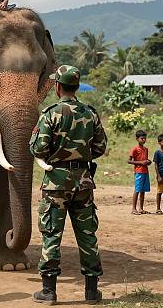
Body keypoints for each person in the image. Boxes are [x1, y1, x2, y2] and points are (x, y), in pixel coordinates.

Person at [30, 65, 107, 304]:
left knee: (52, 234)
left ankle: (49, 291)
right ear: (76, 86)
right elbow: (100, 147)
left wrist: (56, 154)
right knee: (87, 235)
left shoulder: (51, 113)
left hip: (56, 183)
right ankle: (92, 291)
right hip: (83, 183)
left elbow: (37, 148)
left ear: (58, 86)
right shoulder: (90, 113)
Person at [128, 129, 151, 215]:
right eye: (142, 138)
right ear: (137, 139)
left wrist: (147, 162)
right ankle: (133, 209)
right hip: (139, 172)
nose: (144, 140)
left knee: (143, 190)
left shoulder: (146, 149)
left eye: (145, 138)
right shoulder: (135, 149)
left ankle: (141, 208)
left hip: (145, 171)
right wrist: (141, 162)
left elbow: (144, 160)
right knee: (137, 189)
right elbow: (129, 161)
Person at [153, 134, 163, 214]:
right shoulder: (157, 152)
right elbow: (156, 164)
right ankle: (158, 208)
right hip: (161, 175)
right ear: (159, 143)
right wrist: (158, 175)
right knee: (159, 192)